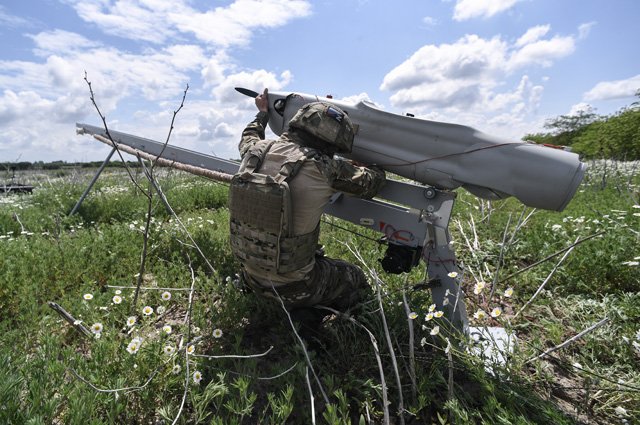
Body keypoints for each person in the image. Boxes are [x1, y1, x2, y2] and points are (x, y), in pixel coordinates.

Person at [229, 88, 386, 321]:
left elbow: (249, 135)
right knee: (354, 276)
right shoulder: (325, 167)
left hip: (250, 277)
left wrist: (263, 113)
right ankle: (313, 315)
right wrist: (366, 164)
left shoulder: (255, 150)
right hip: (298, 287)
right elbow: (373, 183)